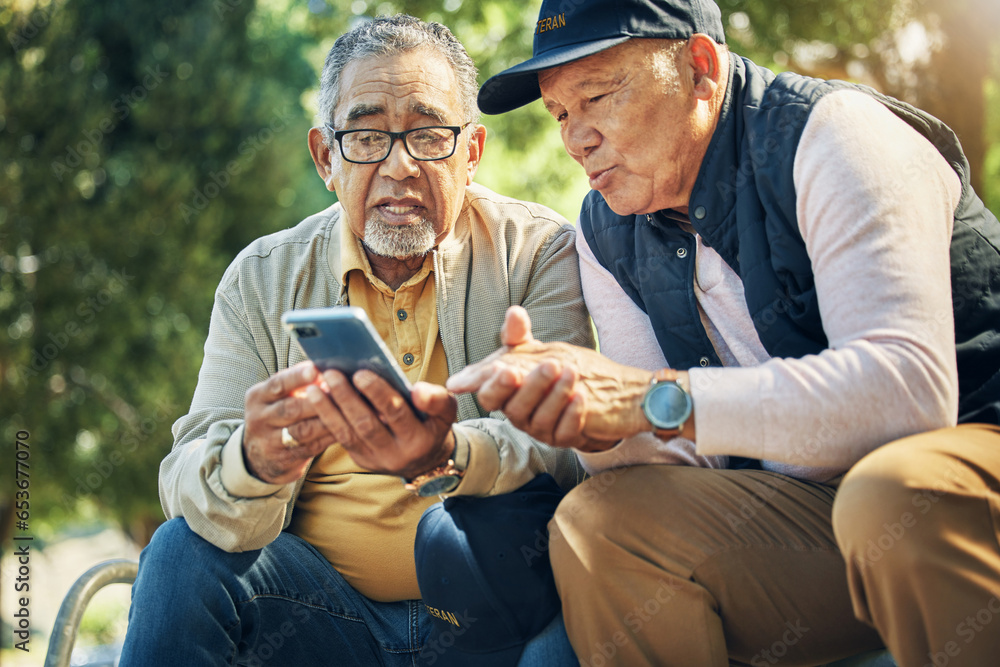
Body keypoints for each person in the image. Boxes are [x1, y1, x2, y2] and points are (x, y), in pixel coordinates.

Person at [448, 0, 1000, 665]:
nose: (575, 138)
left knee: (891, 490)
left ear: (702, 69)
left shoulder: (836, 135)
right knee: (599, 523)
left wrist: (655, 396)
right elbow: (680, 452)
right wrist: (595, 428)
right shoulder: (603, 232)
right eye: (561, 113)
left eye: (598, 96)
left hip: (960, 472)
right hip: (823, 514)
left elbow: (906, 397)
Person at [119, 15, 594, 667]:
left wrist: (453, 450)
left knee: (578, 610)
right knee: (177, 552)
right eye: (367, 136)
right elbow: (187, 474)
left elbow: (576, 449)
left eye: (429, 135)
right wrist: (253, 462)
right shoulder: (262, 277)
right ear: (326, 157)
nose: (399, 166)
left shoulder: (539, 250)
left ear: (473, 151)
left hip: (496, 613)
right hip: (324, 618)